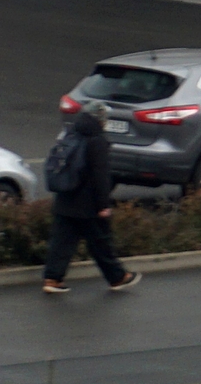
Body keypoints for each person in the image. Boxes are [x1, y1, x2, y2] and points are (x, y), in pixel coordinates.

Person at [45, 103, 138, 296]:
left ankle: (52, 279)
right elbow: (100, 176)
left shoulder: (71, 133)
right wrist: (103, 205)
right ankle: (117, 277)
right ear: (100, 119)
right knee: (101, 242)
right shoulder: (97, 140)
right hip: (87, 204)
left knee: (61, 242)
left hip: (65, 198)